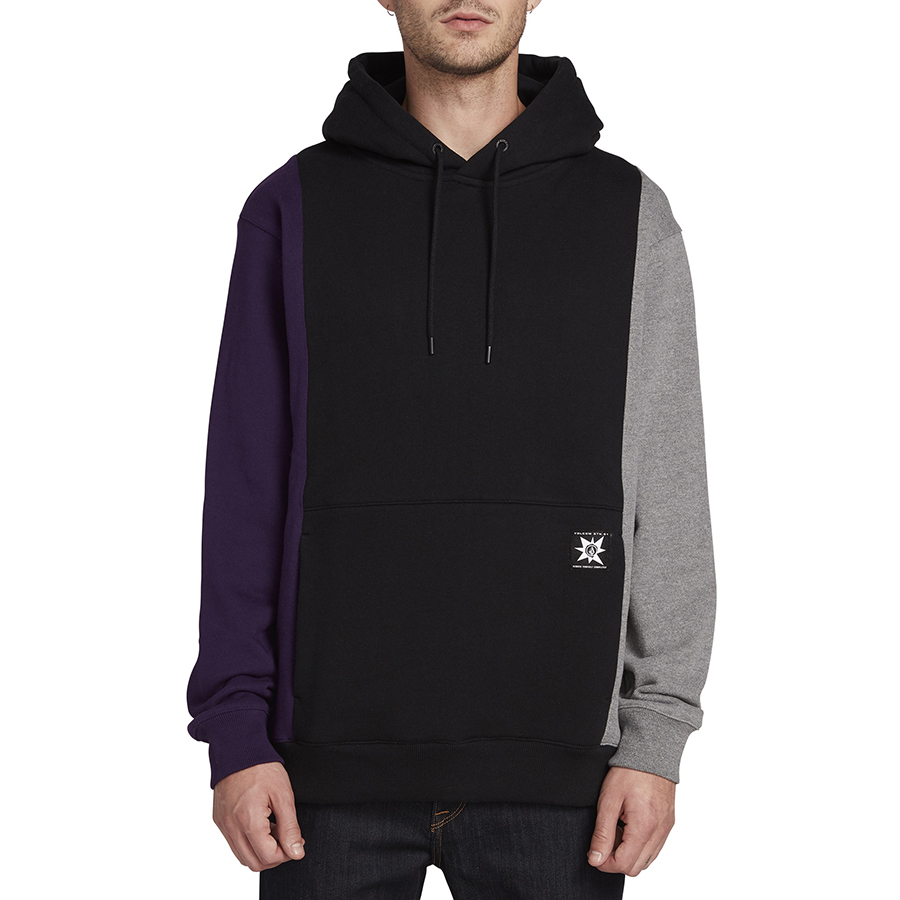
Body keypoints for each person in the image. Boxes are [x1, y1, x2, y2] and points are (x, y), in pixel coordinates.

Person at [185, 1, 717, 897]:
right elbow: (244, 485)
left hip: (566, 779)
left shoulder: (628, 212)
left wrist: (657, 735)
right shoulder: (294, 204)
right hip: (322, 775)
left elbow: (668, 483)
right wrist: (236, 732)